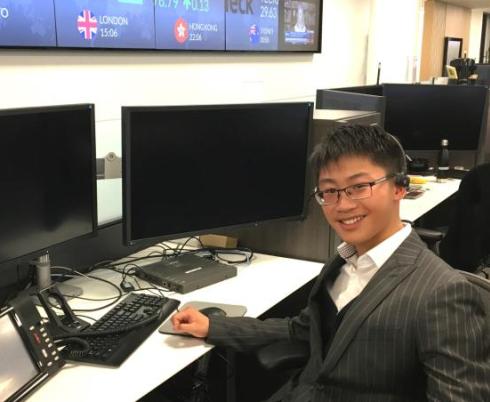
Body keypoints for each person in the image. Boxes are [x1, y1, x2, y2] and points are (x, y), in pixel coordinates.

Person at [171, 125, 489, 401]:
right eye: (329, 191)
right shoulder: (342, 261)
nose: (343, 204)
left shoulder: (445, 294)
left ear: (399, 187)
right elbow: (302, 332)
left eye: (359, 186)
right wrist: (214, 326)